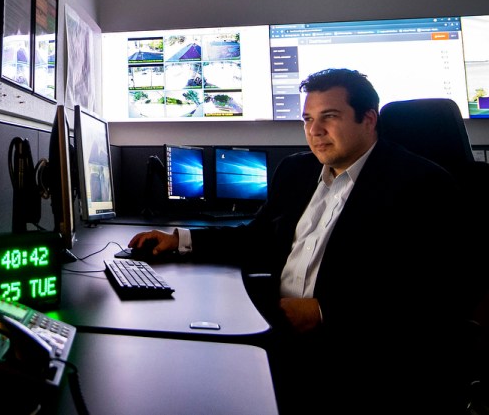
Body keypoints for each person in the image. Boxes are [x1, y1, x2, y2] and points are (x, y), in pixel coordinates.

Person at [128, 68, 468, 413]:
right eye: (307, 119)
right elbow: (257, 238)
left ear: (368, 119)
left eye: (329, 117)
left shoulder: (422, 184)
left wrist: (324, 312)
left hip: (360, 353)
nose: (314, 131)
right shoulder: (296, 170)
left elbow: (436, 294)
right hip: (279, 327)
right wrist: (180, 239)